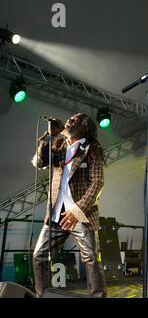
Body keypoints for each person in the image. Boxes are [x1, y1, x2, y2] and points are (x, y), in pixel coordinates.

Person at [31, 113, 107, 297]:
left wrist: (77, 209)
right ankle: (43, 295)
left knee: (90, 258)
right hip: (57, 213)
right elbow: (39, 162)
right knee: (39, 256)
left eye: (74, 120)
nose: (69, 121)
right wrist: (49, 136)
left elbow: (97, 183)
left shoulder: (92, 149)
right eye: (69, 119)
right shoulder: (58, 145)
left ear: (84, 128)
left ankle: (98, 295)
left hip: (80, 214)